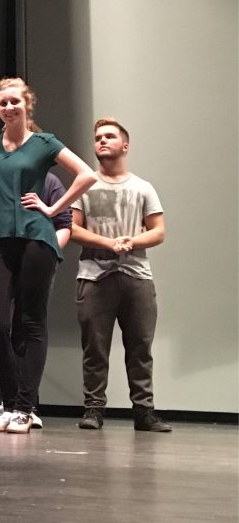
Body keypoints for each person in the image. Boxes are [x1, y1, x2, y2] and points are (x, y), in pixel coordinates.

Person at [0, 77, 96, 433]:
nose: (9, 108)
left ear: (28, 104)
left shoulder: (43, 143)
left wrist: (54, 206)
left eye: (15, 102)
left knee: (30, 322)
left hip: (35, 239)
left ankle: (25, 408)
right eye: (3, 103)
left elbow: (87, 174)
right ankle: (9, 405)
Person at [71, 118, 170, 432]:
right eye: (98, 137)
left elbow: (158, 232)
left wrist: (129, 242)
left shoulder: (142, 187)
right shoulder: (85, 185)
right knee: (95, 349)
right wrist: (107, 243)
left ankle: (144, 412)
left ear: (125, 145)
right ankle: (94, 410)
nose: (102, 141)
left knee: (140, 347)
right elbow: (72, 228)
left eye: (110, 136)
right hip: (93, 277)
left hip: (136, 277)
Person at [0, 172, 72, 428]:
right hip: (2, 258)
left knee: (27, 325)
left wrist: (48, 253)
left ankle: (25, 405)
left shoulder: (49, 182)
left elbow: (64, 224)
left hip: (35, 257)